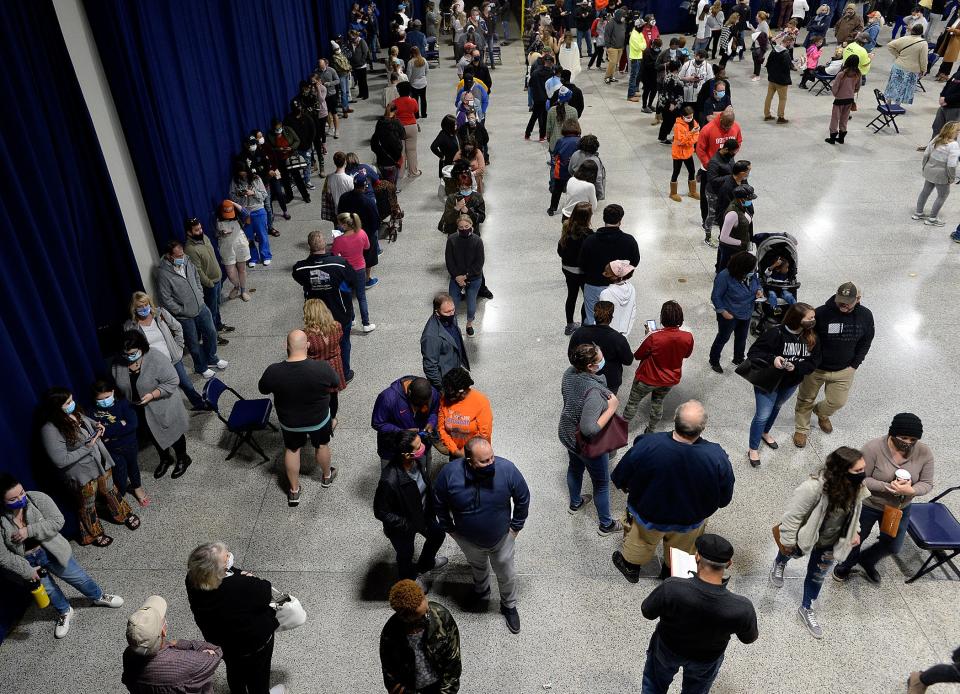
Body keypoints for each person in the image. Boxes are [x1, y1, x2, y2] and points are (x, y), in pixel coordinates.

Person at [611, 400, 735, 582]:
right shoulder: (716, 456)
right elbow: (724, 497)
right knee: (682, 550)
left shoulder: (647, 444)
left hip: (648, 513)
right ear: (703, 428)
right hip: (690, 519)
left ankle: (631, 568)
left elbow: (621, 476)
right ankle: (671, 574)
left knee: (640, 541)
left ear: (675, 419)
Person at [0, 474, 125, 638]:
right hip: (27, 561)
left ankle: (98, 596)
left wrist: (29, 531)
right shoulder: (2, 521)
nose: (21, 498)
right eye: (13, 498)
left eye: (21, 493)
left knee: (78, 577)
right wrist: (27, 570)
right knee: (49, 590)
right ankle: (65, 611)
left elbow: (58, 521)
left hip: (51, 551)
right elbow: (3, 556)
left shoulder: (37, 498)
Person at [770, 446, 870, 639]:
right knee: (790, 552)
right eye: (858, 470)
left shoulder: (856, 486)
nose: (863, 474)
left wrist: (855, 531)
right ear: (842, 470)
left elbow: (856, 511)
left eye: (863, 469)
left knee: (817, 576)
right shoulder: (813, 487)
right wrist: (788, 542)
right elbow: (793, 516)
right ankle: (780, 562)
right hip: (806, 536)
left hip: (831, 542)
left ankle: (807, 607)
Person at [639, 533, 759, 693]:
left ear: (697, 557)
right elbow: (749, 638)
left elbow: (647, 611)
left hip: (667, 647)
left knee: (653, 685)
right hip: (706, 659)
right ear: (729, 563)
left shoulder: (672, 587)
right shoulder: (742, 607)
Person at [433, 437, 530, 633]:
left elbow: (523, 497)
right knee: (477, 566)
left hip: (502, 538)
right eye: (484, 461)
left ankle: (508, 605)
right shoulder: (449, 474)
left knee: (506, 573)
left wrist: (515, 528)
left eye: (492, 458)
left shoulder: (507, 470)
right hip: (468, 539)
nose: (491, 463)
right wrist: (449, 529)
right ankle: (481, 590)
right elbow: (439, 502)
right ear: (469, 461)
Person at [833, 413, 936, 584]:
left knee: (893, 545)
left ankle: (867, 559)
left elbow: (927, 483)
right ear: (892, 434)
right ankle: (847, 564)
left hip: (899, 507)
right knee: (855, 538)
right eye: (903, 437)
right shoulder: (873, 448)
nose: (908, 443)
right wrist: (887, 487)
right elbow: (861, 478)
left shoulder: (924, 452)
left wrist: (911, 489)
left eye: (913, 439)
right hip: (870, 504)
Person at [39, 387, 139, 548]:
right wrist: (87, 447)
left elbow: (85, 420)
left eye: (71, 400)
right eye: (68, 402)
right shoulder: (49, 430)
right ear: (56, 408)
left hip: (100, 462)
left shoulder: (74, 412)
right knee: (88, 504)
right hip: (82, 474)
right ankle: (94, 533)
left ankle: (124, 514)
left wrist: (96, 424)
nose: (72, 404)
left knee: (110, 490)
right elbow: (60, 460)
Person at [185, 543, 285, 694]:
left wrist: (236, 575)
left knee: (234, 671)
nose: (230, 555)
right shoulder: (240, 586)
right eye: (227, 557)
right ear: (220, 569)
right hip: (253, 644)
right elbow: (265, 591)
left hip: (223, 643)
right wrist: (250, 578)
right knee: (259, 675)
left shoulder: (193, 579)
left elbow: (228, 577)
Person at [258, 330, 340, 506]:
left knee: (292, 450)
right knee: (322, 445)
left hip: (290, 423)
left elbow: (262, 389)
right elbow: (335, 383)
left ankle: (294, 491)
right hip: (319, 419)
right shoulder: (321, 368)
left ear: (286, 346)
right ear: (308, 345)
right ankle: (326, 476)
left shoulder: (273, 371)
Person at [793, 282, 874, 448]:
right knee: (805, 399)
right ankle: (801, 429)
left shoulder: (865, 316)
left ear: (858, 299)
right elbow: (807, 337)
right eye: (840, 299)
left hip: (844, 369)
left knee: (838, 402)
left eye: (848, 301)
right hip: (816, 368)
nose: (843, 304)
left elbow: (866, 341)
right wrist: (809, 360)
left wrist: (855, 364)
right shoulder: (822, 313)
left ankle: (821, 413)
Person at [558, 342, 624, 535]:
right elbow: (589, 429)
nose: (603, 358)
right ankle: (606, 525)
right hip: (587, 445)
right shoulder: (595, 393)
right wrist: (611, 408)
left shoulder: (569, 373)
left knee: (575, 468)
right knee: (601, 484)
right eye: (599, 357)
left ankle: (575, 503)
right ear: (590, 366)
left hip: (568, 434)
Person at [745, 303, 821, 467]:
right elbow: (753, 353)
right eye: (810, 318)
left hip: (790, 383)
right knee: (762, 415)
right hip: (768, 382)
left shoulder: (811, 337)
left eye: (813, 317)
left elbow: (814, 362)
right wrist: (773, 359)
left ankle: (765, 432)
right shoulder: (775, 333)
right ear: (797, 319)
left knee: (777, 407)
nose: (813, 320)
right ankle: (753, 448)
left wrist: (797, 368)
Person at [113, 330, 192, 480]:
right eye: (125, 354)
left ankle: (183, 458)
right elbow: (118, 387)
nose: (129, 357)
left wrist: (153, 394)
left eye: (133, 353)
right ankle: (165, 458)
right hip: (139, 408)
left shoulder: (155, 357)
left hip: (163, 404)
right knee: (153, 435)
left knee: (173, 433)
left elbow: (173, 380)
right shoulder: (119, 363)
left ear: (142, 348)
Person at [374, 430, 449, 582]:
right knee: (405, 554)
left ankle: (426, 564)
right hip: (403, 525)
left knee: (438, 534)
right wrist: (406, 525)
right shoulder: (389, 480)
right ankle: (410, 578)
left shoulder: (417, 461)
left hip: (422, 514)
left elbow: (424, 485)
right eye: (418, 446)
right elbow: (380, 511)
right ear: (406, 454)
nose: (422, 447)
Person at [155, 240, 227, 378]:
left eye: (182, 254)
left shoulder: (188, 262)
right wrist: (180, 310)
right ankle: (200, 367)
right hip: (185, 316)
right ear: (169, 256)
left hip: (201, 307)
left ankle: (212, 358)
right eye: (178, 256)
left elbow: (196, 279)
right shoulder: (163, 274)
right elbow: (166, 298)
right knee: (193, 343)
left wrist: (200, 295)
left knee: (211, 332)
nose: (181, 257)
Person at [122, 595, 222, 694]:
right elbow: (216, 653)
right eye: (162, 619)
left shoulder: (128, 656)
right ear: (163, 631)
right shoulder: (187, 661)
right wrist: (181, 643)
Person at [125, 291, 207, 410]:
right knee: (166, 391)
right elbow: (131, 348)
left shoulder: (160, 313)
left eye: (145, 305)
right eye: (139, 306)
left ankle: (200, 404)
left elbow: (177, 327)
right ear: (134, 308)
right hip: (154, 366)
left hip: (172, 359)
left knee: (186, 384)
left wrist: (179, 346)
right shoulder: (131, 326)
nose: (143, 308)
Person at [622, 301, 694, 433]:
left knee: (633, 403)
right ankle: (651, 429)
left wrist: (648, 335)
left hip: (647, 378)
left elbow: (638, 355)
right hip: (669, 380)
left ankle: (622, 428)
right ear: (680, 317)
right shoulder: (688, 337)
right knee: (658, 402)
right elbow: (687, 354)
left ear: (662, 318)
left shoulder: (654, 336)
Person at [292, 230, 356, 378]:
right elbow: (353, 281)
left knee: (317, 346)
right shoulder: (339, 264)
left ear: (309, 247)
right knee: (344, 343)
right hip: (341, 313)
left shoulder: (300, 268)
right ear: (325, 245)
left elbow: (300, 279)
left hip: (316, 316)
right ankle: (344, 373)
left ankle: (322, 375)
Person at [380, 579, 461, 693]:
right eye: (421, 616)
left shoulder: (441, 616)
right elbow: (390, 676)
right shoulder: (390, 634)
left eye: (427, 610)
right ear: (405, 618)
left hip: (439, 685)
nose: (428, 616)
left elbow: (453, 661)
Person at [578, 204, 641, 325]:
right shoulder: (629, 241)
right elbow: (635, 262)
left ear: (604, 219)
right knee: (614, 318)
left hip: (593, 284)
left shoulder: (590, 240)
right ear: (620, 220)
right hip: (617, 285)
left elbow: (582, 264)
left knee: (591, 318)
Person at [91, 377, 147, 507]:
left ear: (113, 392)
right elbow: (96, 433)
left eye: (107, 397)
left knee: (133, 466)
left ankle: (137, 488)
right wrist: (120, 424)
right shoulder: (92, 411)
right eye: (100, 399)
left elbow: (133, 425)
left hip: (130, 444)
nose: (104, 401)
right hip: (111, 449)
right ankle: (120, 493)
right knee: (119, 472)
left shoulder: (123, 404)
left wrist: (107, 431)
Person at [709, 251, 761, 372]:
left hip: (747, 312)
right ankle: (714, 360)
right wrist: (722, 312)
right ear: (742, 268)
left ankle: (738, 358)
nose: (754, 271)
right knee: (723, 338)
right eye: (752, 269)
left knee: (741, 338)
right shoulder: (724, 276)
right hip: (729, 315)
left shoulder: (751, 273)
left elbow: (757, 283)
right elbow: (716, 296)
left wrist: (759, 290)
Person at [372, 375, 440, 467]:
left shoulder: (433, 394)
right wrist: (401, 432)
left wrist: (431, 422)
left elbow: (434, 412)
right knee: (391, 477)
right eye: (415, 405)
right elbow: (378, 423)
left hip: (419, 445)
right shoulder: (388, 398)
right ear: (409, 392)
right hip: (393, 449)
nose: (417, 409)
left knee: (422, 474)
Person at [568, 300, 634, 394]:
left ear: (594, 315)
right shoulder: (618, 339)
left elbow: (572, 356)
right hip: (610, 380)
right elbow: (628, 361)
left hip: (585, 377)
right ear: (611, 318)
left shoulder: (580, 332)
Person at [302, 298, 347, 429]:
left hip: (317, 369)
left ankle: (319, 421)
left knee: (318, 397)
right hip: (335, 366)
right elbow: (340, 339)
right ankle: (332, 419)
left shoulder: (307, 335)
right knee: (333, 396)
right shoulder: (336, 326)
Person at [183, 218, 228, 341]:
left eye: (200, 228)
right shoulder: (190, 249)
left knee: (217, 305)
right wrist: (209, 283)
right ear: (189, 233)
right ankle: (214, 336)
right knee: (211, 312)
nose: (200, 231)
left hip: (217, 279)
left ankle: (218, 326)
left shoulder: (204, 238)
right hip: (210, 284)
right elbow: (197, 271)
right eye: (196, 230)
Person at [332, 212, 376, 333]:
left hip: (346, 271)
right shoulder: (362, 233)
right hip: (360, 269)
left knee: (348, 296)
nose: (338, 225)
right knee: (361, 297)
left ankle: (351, 320)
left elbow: (335, 255)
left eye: (339, 223)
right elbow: (367, 247)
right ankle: (366, 323)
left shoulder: (338, 240)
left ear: (345, 225)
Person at [698, 132, 741, 248]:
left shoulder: (729, 157)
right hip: (713, 193)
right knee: (711, 215)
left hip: (725, 191)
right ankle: (707, 237)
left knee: (724, 214)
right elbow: (712, 180)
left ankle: (722, 236)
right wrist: (731, 177)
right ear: (726, 149)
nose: (734, 154)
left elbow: (732, 168)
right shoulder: (714, 162)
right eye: (733, 152)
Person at [914, 120, 960, 227]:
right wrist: (951, 177)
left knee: (925, 192)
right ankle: (932, 219)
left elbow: (926, 154)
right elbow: (951, 165)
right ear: (952, 132)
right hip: (941, 174)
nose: (958, 133)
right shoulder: (953, 145)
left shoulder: (937, 138)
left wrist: (924, 167)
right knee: (942, 195)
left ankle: (918, 213)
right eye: (957, 131)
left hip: (929, 169)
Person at [446, 215, 485, 337]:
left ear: (471, 226)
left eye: (466, 226)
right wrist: (457, 276)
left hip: (473, 278)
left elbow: (479, 262)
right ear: (457, 228)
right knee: (452, 305)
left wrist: (466, 276)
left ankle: (469, 324)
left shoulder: (477, 241)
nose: (464, 229)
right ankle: (454, 326)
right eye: (461, 227)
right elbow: (449, 260)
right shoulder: (451, 240)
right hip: (456, 277)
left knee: (471, 304)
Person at [421, 292, 470, 389]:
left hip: (455, 368)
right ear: (437, 312)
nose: (452, 314)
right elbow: (430, 366)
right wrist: (442, 388)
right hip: (445, 379)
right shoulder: (431, 336)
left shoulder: (450, 317)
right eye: (447, 312)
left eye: (453, 310)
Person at [558, 202, 593, 334]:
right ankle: (584, 324)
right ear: (587, 217)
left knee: (571, 295)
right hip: (583, 272)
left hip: (567, 269)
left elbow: (560, 249)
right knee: (587, 297)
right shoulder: (589, 234)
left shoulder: (566, 227)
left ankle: (569, 325)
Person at [230, 162, 273, 266]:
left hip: (258, 210)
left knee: (262, 235)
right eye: (241, 174)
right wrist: (241, 195)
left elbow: (264, 195)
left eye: (244, 173)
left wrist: (253, 193)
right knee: (249, 237)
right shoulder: (235, 181)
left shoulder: (256, 178)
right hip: (245, 213)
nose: (243, 176)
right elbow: (232, 196)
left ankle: (266, 256)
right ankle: (253, 258)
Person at [215, 200, 253, 300]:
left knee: (242, 269)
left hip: (240, 244)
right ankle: (236, 286)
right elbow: (214, 233)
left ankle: (243, 290)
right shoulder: (216, 219)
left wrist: (233, 203)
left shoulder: (238, 217)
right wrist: (221, 233)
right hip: (226, 246)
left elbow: (248, 215)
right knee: (231, 274)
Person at [267, 117, 311, 203]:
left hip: (291, 158)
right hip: (281, 160)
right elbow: (270, 149)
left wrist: (291, 148)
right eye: (276, 128)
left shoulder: (288, 129)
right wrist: (278, 149)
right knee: (285, 179)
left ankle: (305, 195)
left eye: (279, 126)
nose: (278, 129)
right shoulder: (270, 135)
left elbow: (297, 140)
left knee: (297, 177)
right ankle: (289, 196)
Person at [885, 24, 928, 106]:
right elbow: (923, 59)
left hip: (898, 66)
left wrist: (897, 55)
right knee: (904, 88)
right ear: (922, 32)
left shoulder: (904, 38)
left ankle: (888, 102)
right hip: (912, 69)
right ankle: (897, 105)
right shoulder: (923, 43)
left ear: (912, 30)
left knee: (893, 84)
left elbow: (890, 45)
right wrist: (924, 70)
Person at [547, 118, 582, 215]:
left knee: (557, 190)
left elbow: (555, 153)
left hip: (561, 170)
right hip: (576, 171)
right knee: (575, 190)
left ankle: (552, 208)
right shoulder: (580, 141)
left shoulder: (560, 141)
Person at [825, 55, 862, 144]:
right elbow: (858, 87)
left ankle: (832, 138)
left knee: (835, 118)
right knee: (844, 119)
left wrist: (837, 94)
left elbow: (835, 87)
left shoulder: (842, 74)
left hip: (839, 99)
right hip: (850, 99)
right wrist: (851, 92)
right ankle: (841, 138)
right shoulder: (858, 74)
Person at [669, 106, 700, 202]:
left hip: (688, 152)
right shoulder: (678, 126)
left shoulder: (694, 123)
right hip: (678, 154)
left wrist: (690, 140)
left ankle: (692, 191)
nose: (690, 118)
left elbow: (696, 136)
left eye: (691, 116)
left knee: (692, 171)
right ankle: (673, 193)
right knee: (676, 172)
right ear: (682, 116)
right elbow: (680, 141)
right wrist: (690, 134)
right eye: (688, 117)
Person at [440, 167, 486, 234]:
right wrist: (456, 209)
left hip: (473, 233)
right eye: (462, 188)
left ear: (471, 186)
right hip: (454, 233)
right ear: (458, 187)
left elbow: (481, 218)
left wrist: (468, 211)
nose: (465, 190)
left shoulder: (477, 197)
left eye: (467, 188)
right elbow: (447, 219)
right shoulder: (451, 198)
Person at [598, 260, 637, 335]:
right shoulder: (632, 288)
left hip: (608, 333)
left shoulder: (606, 293)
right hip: (624, 331)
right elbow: (633, 310)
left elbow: (602, 317)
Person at [371, 103, 406, 184]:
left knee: (384, 182)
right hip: (393, 161)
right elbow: (403, 135)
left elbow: (374, 141)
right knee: (392, 184)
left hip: (381, 160)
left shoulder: (379, 122)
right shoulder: (396, 123)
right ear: (395, 111)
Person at [393, 81, 422, 178]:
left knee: (401, 151)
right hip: (412, 127)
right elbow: (416, 111)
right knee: (412, 150)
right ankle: (413, 172)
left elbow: (391, 114)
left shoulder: (394, 102)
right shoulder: (413, 101)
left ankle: (400, 174)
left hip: (399, 128)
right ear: (409, 91)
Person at [764, 35, 794, 123]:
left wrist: (771, 74)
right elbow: (787, 67)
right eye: (792, 43)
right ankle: (780, 117)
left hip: (772, 79)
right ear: (788, 42)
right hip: (781, 81)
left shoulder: (773, 50)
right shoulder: (785, 53)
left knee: (769, 97)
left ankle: (767, 114)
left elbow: (768, 64)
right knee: (782, 99)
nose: (792, 45)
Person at [526, 52, 556, 140]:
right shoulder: (551, 74)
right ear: (551, 63)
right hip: (547, 98)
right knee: (545, 117)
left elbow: (530, 85)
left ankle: (527, 134)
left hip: (537, 98)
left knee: (534, 116)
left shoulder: (535, 73)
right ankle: (542, 136)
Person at [570, 135, 607, 200]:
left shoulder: (575, 154)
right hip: (589, 191)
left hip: (576, 187)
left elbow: (570, 169)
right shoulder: (595, 160)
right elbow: (598, 179)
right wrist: (600, 194)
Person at [656, 60, 685, 144]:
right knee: (668, 121)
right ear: (677, 68)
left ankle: (663, 136)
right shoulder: (673, 78)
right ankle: (663, 137)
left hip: (670, 102)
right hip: (671, 104)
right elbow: (670, 92)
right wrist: (672, 103)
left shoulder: (669, 75)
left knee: (669, 121)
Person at [430, 114, 460, 179]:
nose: (456, 126)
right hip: (447, 163)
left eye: (456, 124)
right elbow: (433, 147)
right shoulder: (443, 135)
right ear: (449, 126)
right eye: (454, 125)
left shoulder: (455, 132)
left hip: (457, 161)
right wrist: (441, 156)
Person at [627, 19, 649, 101]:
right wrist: (643, 45)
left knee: (636, 76)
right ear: (639, 26)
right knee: (633, 77)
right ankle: (630, 95)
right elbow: (642, 46)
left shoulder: (639, 33)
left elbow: (644, 43)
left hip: (639, 57)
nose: (644, 27)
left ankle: (633, 92)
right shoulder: (634, 35)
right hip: (635, 59)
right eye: (643, 25)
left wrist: (643, 45)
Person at [604, 8, 627, 83]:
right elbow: (607, 35)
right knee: (612, 62)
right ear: (619, 15)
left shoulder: (623, 23)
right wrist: (608, 46)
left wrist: (623, 46)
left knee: (616, 63)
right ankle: (607, 77)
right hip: (612, 47)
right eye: (623, 16)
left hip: (620, 47)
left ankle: (611, 76)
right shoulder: (611, 23)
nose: (624, 18)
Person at [407, 46, 429, 117]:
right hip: (423, 83)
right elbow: (427, 71)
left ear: (411, 53)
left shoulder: (410, 62)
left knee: (415, 100)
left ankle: (416, 115)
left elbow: (409, 74)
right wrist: (423, 77)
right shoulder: (424, 60)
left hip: (414, 83)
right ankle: (424, 114)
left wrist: (409, 82)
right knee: (423, 99)